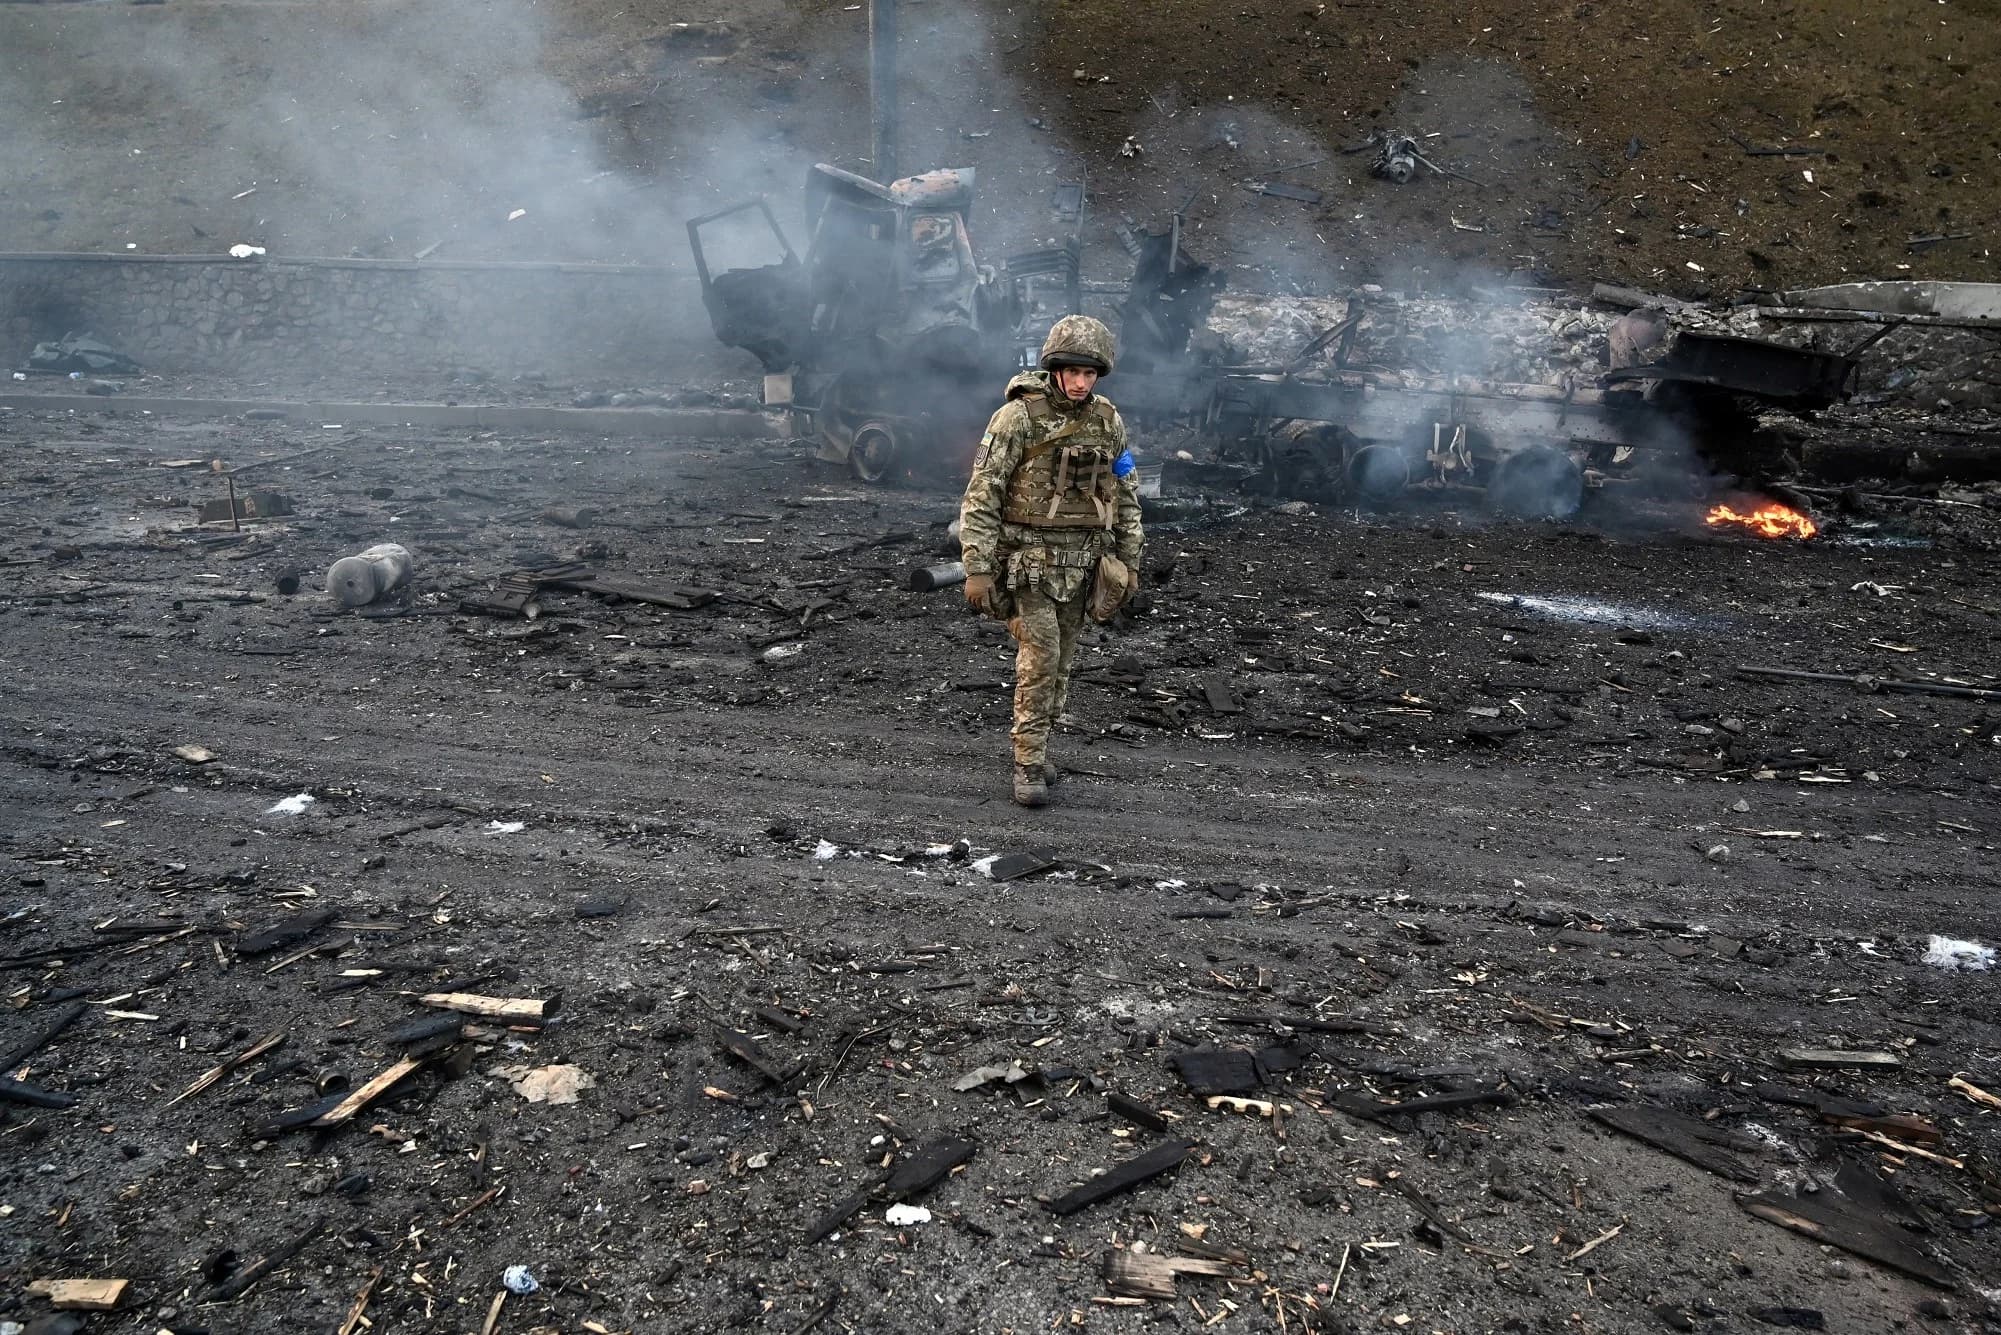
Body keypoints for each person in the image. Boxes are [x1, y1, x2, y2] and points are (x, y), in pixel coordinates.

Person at [958, 315, 1144, 807]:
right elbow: (982, 495)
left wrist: (1130, 561)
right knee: (1039, 663)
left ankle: (1038, 750)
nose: (1081, 382)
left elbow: (1125, 494)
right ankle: (1027, 765)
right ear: (1056, 368)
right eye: (1073, 371)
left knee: (1063, 665)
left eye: (1090, 373)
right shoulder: (1016, 418)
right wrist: (978, 567)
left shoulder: (1108, 421)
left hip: (1083, 568)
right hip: (1028, 566)